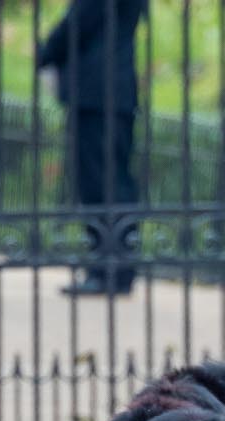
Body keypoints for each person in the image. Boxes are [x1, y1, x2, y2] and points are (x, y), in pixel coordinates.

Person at [38, 0, 146, 296]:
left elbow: (78, 23)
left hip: (96, 94)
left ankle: (107, 269)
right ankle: (118, 267)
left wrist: (45, 52)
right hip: (115, 93)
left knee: (100, 183)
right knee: (115, 179)